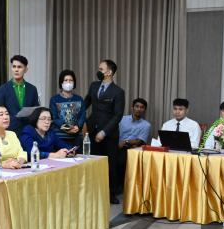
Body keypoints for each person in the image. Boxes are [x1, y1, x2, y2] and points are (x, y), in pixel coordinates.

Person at [85, 59, 125, 203]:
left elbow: (118, 115)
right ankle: (94, 190)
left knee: (110, 164)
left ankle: (111, 193)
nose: (98, 71)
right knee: (93, 161)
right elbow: (86, 103)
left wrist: (104, 132)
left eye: (101, 69)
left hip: (109, 134)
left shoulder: (118, 92)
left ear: (109, 72)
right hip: (92, 130)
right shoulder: (94, 85)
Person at [0, 55, 40, 134]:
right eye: (14, 67)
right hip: (9, 131)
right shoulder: (2, 89)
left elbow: (36, 111)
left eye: (19, 67)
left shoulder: (32, 89)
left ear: (26, 69)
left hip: (28, 130)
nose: (16, 70)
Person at [117, 98, 151, 184]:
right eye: (137, 106)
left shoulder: (146, 125)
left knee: (122, 159)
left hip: (132, 149)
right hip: (117, 145)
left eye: (142, 107)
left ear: (144, 110)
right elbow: (114, 133)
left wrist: (125, 142)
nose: (139, 109)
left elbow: (140, 141)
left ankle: (121, 186)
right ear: (132, 108)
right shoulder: (122, 119)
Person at [49, 69, 86, 147]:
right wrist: (67, 128)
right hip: (59, 137)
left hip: (76, 137)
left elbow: (82, 115)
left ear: (74, 83)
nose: (68, 82)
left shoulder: (79, 99)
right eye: (65, 80)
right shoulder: (54, 99)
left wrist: (78, 126)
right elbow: (54, 118)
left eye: (71, 80)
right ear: (61, 83)